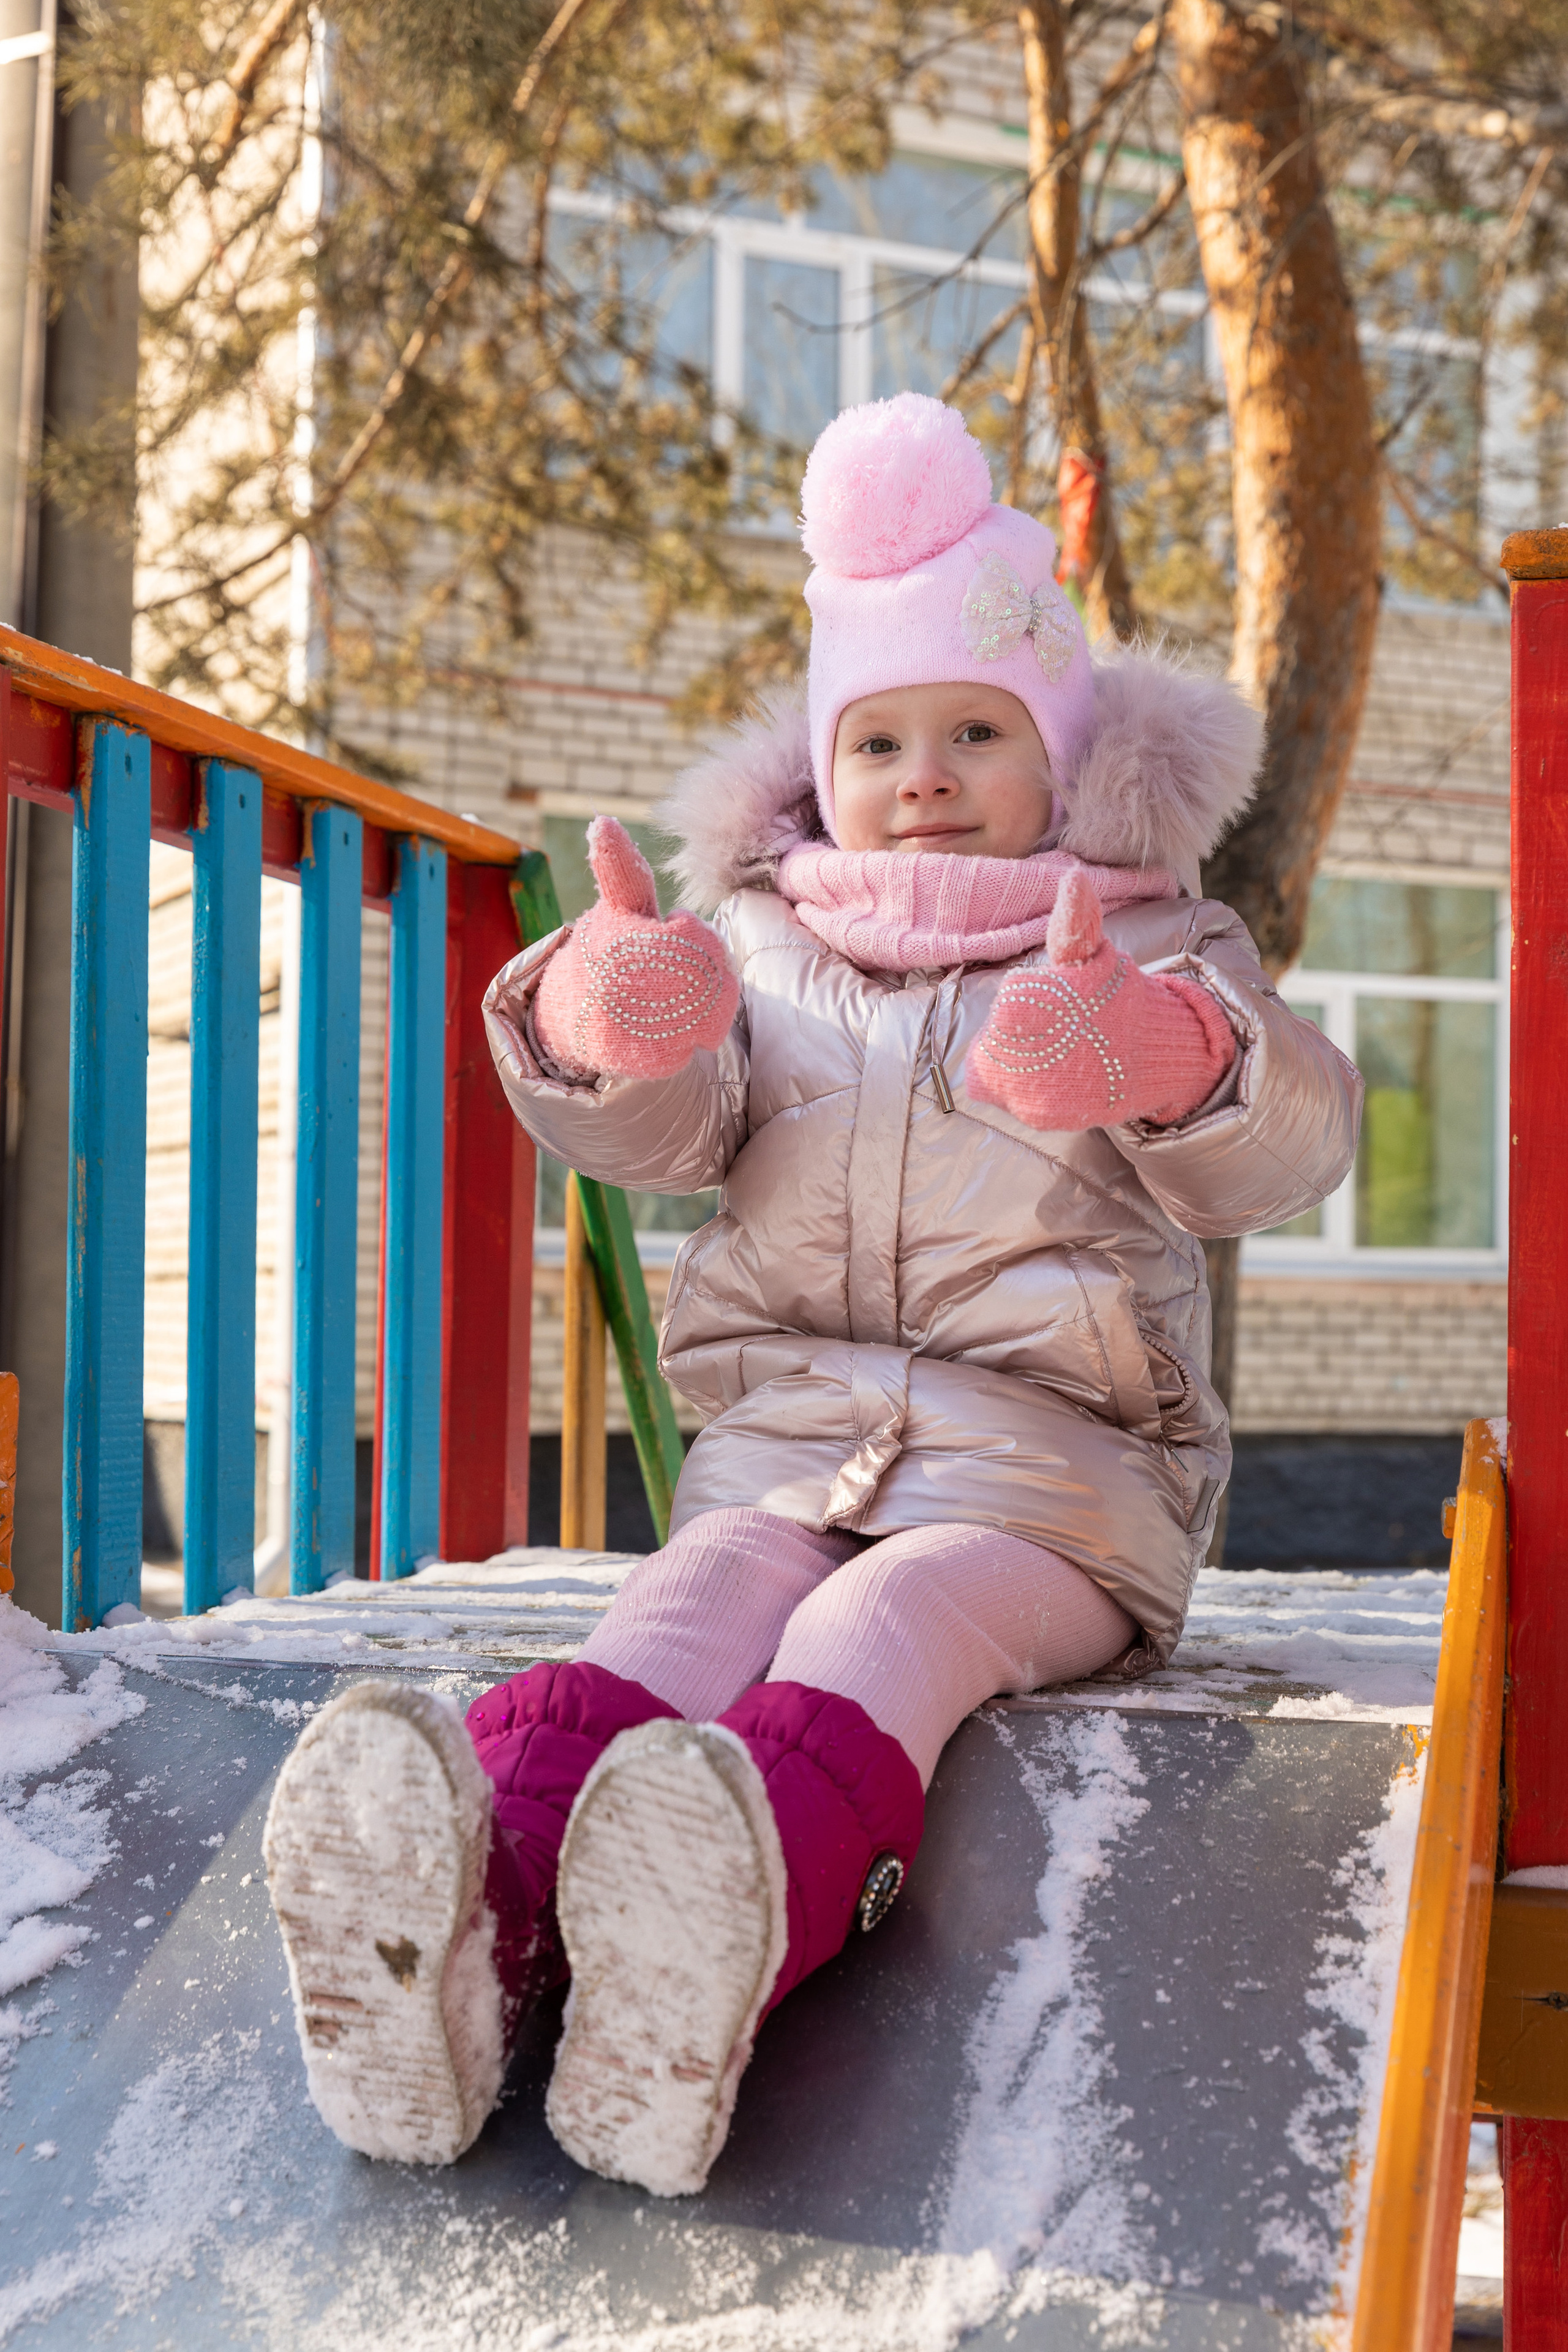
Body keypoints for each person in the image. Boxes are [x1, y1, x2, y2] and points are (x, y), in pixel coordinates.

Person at [263, 393, 1361, 2199]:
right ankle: (469, 1930)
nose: (925, 775)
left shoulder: (1148, 940)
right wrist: (608, 1022)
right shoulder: (768, 947)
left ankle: (713, 1939)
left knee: (883, 1621)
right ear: (821, 765)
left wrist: (1161, 1054)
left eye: (978, 731)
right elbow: (670, 1130)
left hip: (1058, 1489)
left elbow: (1292, 1131)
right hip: (784, 1462)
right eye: (881, 739)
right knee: (685, 1604)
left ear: (1065, 759)